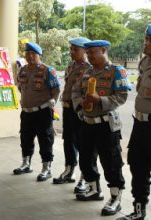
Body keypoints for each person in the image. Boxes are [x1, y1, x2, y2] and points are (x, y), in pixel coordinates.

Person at [72, 40, 131, 216]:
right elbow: (76, 91)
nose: (89, 56)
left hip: (106, 125)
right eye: (87, 53)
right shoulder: (86, 72)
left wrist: (100, 100)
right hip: (87, 123)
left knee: (111, 163)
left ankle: (115, 198)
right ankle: (94, 189)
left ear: (104, 51)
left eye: (92, 53)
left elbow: (121, 97)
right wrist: (80, 105)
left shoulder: (116, 71)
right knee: (85, 160)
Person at [13, 42, 60, 182]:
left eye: (33, 54)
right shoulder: (23, 70)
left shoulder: (47, 70)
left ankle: (47, 168)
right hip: (27, 112)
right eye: (27, 54)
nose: (30, 56)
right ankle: (26, 164)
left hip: (42, 112)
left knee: (45, 140)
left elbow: (56, 89)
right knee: (25, 138)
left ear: (39, 55)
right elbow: (21, 87)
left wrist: (53, 102)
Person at [117, 24, 151, 220]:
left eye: (149, 40)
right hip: (140, 124)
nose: (145, 43)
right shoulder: (145, 62)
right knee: (137, 166)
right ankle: (139, 212)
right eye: (146, 39)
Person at [53, 37, 95, 194]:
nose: (72, 52)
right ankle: (69, 170)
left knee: (84, 144)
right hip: (68, 109)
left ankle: (85, 177)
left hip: (81, 110)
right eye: (71, 49)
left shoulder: (90, 67)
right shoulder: (71, 65)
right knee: (68, 140)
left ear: (85, 51)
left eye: (75, 49)